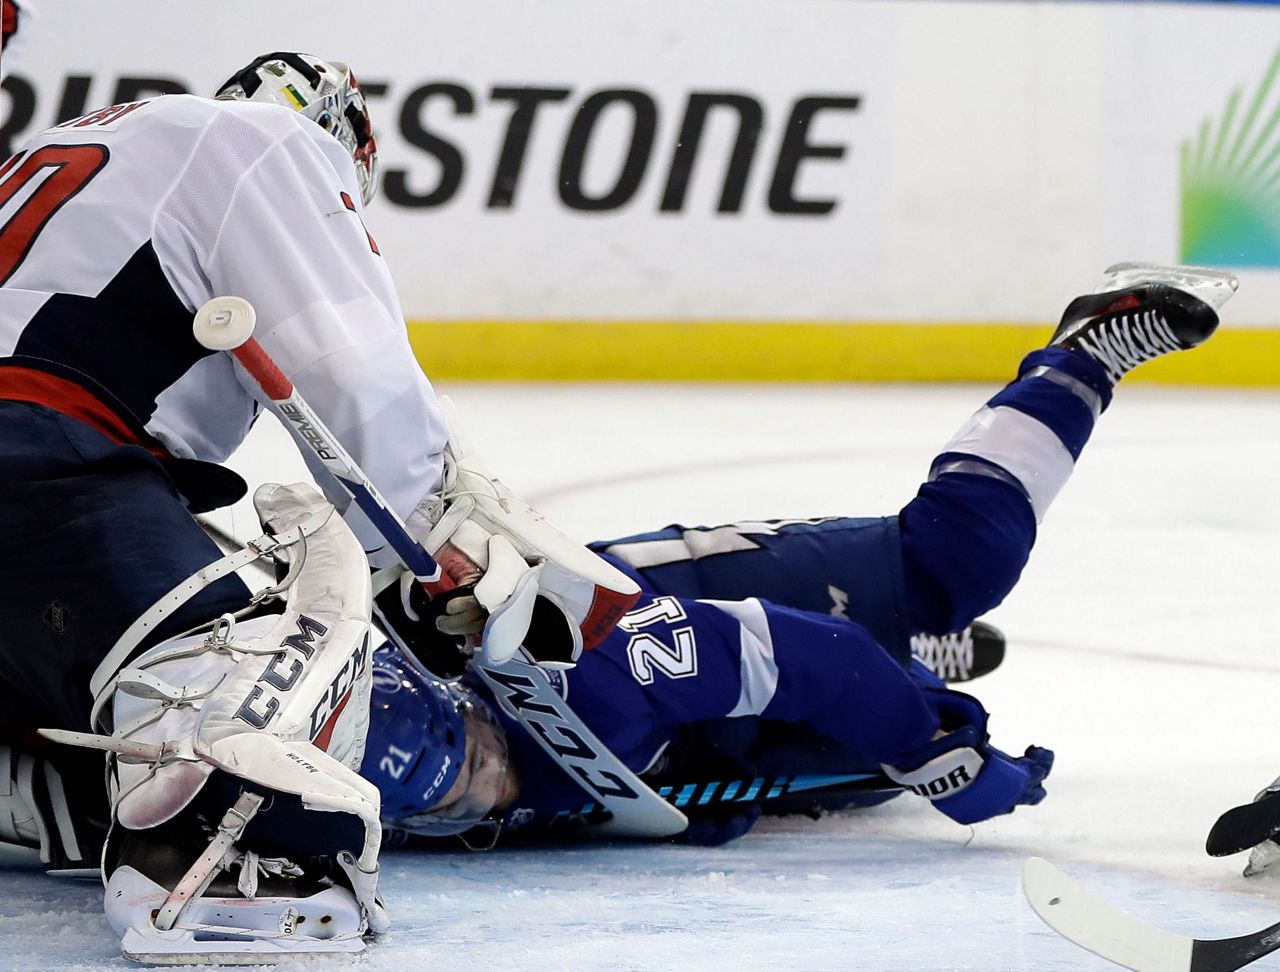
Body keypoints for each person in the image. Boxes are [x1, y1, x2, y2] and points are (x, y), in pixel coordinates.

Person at [0, 51, 636, 962]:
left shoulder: (78, 161)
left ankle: (64, 787)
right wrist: (433, 535)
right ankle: (220, 855)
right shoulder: (272, 143)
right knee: (261, 645)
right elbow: (350, 369)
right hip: (41, 465)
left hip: (41, 479)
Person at [363, 263, 1239, 848]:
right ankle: (924, 665)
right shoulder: (357, 790)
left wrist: (929, 745)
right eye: (455, 804)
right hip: (694, 732)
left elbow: (813, 658)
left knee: (952, 568)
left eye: (475, 759)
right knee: (866, 783)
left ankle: (1083, 352)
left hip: (698, 608)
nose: (485, 791)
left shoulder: (574, 665)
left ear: (458, 703)